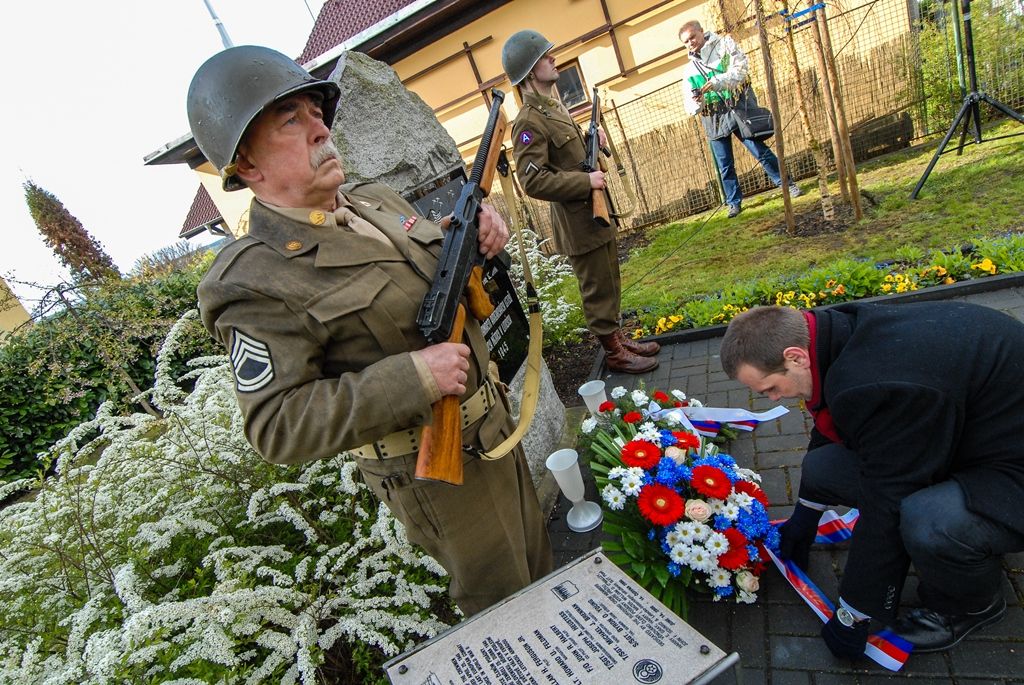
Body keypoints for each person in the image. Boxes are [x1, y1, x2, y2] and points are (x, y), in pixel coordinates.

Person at [186, 46, 552, 617]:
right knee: (510, 617)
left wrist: (477, 235)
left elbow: (428, 287)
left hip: (496, 428)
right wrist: (413, 378)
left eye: (317, 112)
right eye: (291, 120)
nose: (319, 129)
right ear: (248, 166)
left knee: (544, 575)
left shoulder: (374, 201)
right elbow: (277, 426)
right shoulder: (254, 279)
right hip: (438, 475)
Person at [720, 303, 1024, 658]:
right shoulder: (836, 335)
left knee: (926, 520)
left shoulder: (876, 381)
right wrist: (804, 518)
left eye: (770, 387)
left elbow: (890, 497)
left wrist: (856, 612)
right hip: (970, 435)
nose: (773, 398)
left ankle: (973, 604)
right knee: (823, 465)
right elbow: (833, 431)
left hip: (1010, 468)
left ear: (795, 357)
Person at [501, 29, 660, 374]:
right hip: (577, 220)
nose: (553, 58)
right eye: (545, 56)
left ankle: (617, 337)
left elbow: (571, 156)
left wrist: (596, 140)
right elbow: (532, 179)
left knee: (610, 279)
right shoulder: (528, 122)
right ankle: (613, 352)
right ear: (529, 70)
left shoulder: (554, 107)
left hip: (595, 214)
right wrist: (584, 181)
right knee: (596, 286)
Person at [678, 20, 801, 218]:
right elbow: (689, 106)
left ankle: (788, 185)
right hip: (713, 117)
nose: (690, 42)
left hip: (737, 107)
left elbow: (741, 72)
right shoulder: (689, 70)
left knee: (759, 151)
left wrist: (717, 82)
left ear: (702, 32)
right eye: (686, 41)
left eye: (692, 36)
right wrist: (697, 102)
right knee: (724, 164)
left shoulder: (725, 45)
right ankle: (733, 202)